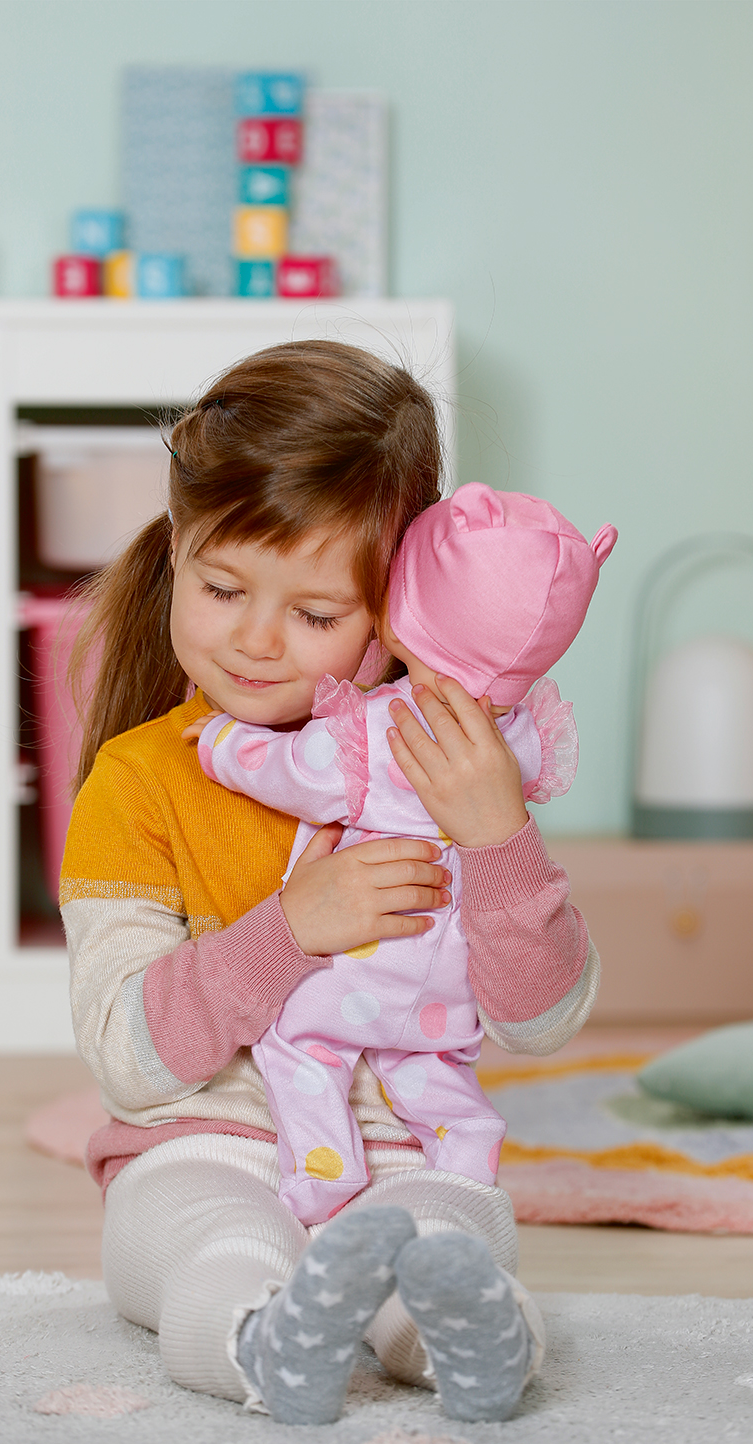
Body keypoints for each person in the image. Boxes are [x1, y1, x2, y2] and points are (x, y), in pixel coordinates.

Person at [61, 341, 600, 1428]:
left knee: (444, 1240)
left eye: (315, 616)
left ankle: (471, 1346)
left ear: (398, 610)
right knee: (218, 1241)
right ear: (177, 550)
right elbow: (126, 1056)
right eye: (221, 588)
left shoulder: (448, 768)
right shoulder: (138, 782)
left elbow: (542, 1023)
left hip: (405, 1148)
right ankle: (266, 1343)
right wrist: (290, 929)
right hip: (200, 1147)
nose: (256, 641)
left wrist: (497, 836)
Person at [186, 485, 616, 1227]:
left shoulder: (379, 730)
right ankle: (469, 1154)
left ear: (393, 613)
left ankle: (325, 1169)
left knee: (298, 1043)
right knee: (431, 1068)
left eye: (318, 613)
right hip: (446, 986)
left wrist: (222, 741)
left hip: (364, 971)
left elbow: (288, 771)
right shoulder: (518, 742)